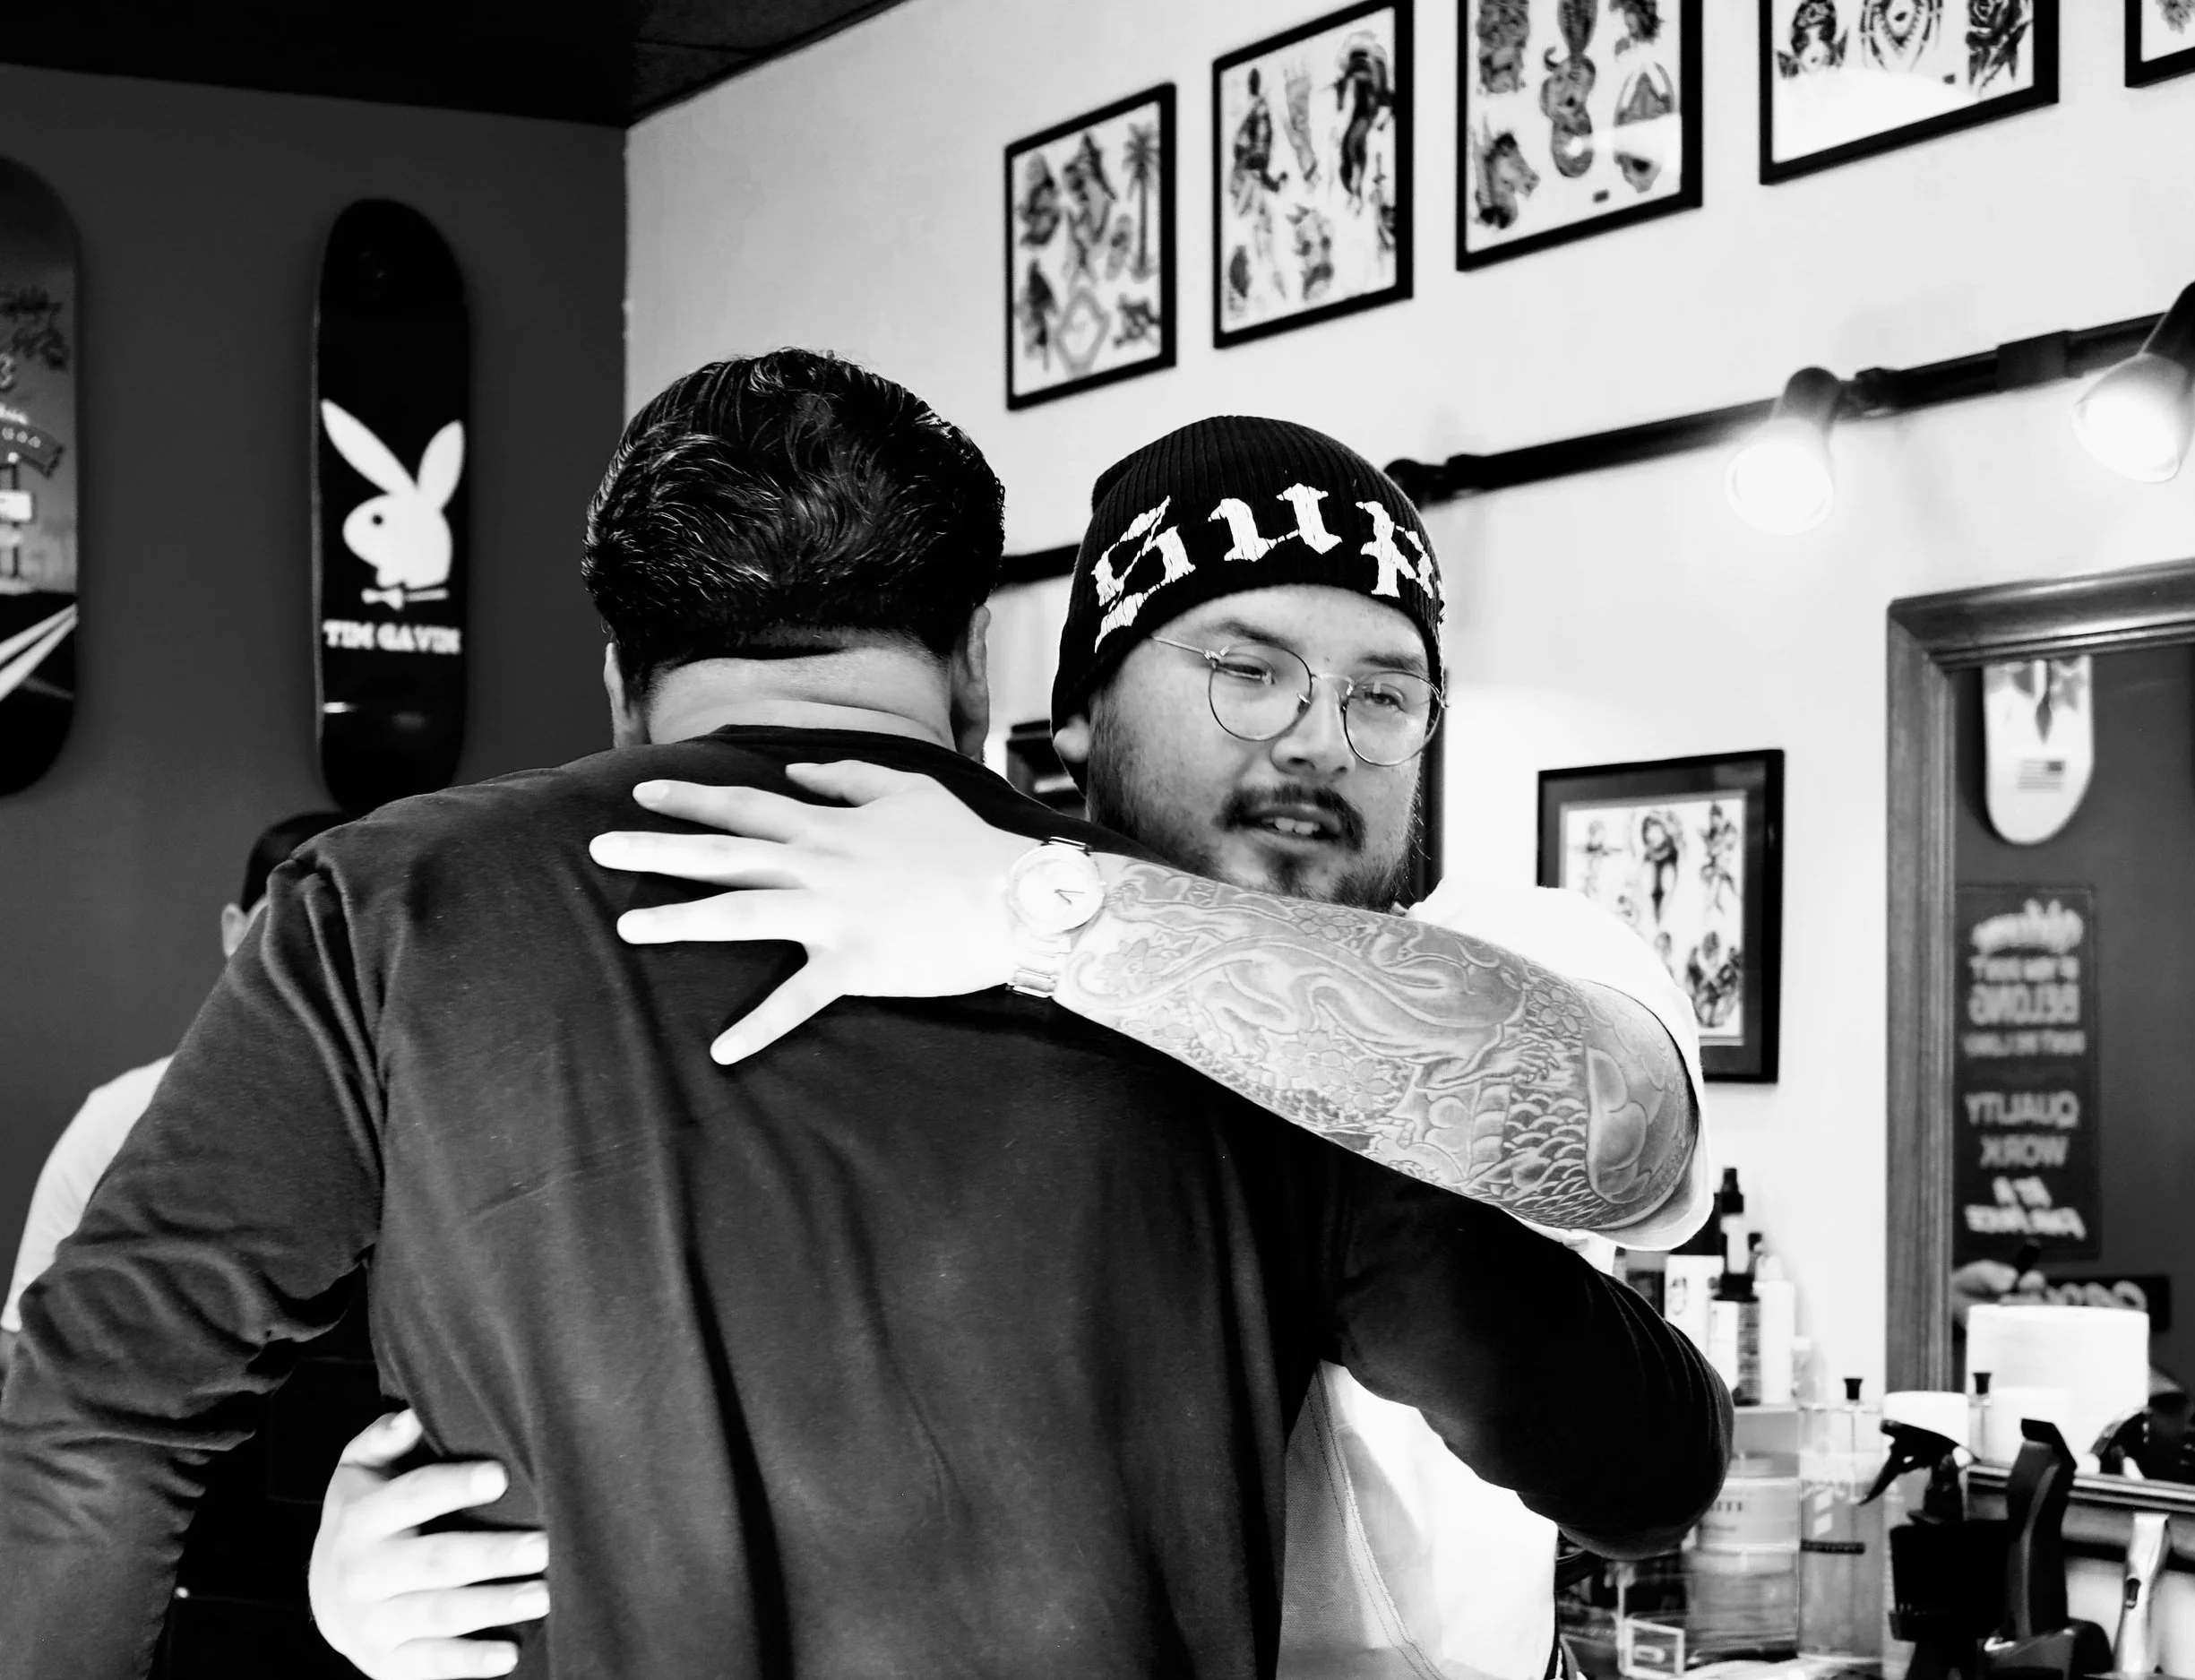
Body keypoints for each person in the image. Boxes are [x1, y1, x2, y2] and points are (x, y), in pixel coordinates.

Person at [306, 409, 1725, 1680]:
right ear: (1070, 710)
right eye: (1248, 667)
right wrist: (407, 1549)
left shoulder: (1504, 946)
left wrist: (1045, 906)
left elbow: (1617, 1142)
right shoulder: (897, 957)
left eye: (1386, 691)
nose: (1319, 739)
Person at [0, 810, 346, 1386]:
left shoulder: (433, 1135)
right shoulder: (119, 1119)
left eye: (344, 941)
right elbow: (18, 1354)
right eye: (279, 926)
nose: (309, 968)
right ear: (234, 930)